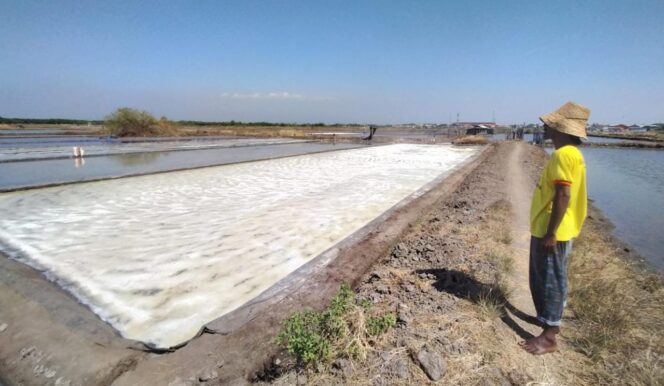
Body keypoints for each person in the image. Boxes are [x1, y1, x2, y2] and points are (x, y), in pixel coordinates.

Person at [520, 101, 590, 355]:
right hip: (560, 228)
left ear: (561, 129)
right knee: (553, 277)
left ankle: (549, 336)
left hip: (553, 231)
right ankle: (549, 320)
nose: (544, 128)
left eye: (548, 125)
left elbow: (563, 195)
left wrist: (550, 233)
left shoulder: (563, 154)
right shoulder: (573, 153)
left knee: (549, 280)